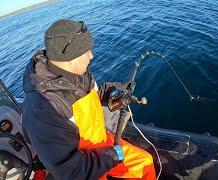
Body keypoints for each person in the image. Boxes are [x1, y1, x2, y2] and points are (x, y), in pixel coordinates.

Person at [22, 19, 156, 180]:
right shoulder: (42, 108)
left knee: (145, 163)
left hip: (103, 144)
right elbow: (71, 172)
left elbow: (95, 94)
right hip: (85, 165)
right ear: (70, 58)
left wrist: (116, 89)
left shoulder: (78, 73)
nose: (91, 56)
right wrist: (111, 156)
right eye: (87, 51)